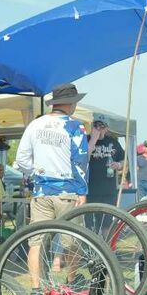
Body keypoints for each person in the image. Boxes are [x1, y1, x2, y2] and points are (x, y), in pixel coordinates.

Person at [12, 82, 90, 221]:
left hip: (41, 191)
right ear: (70, 103)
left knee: (37, 238)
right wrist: (82, 192)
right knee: (70, 240)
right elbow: (80, 162)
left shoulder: (35, 124)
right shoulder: (75, 126)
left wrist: (37, 173)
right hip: (67, 192)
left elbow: (21, 159)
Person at [86, 120, 125, 206]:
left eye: (101, 126)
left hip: (108, 189)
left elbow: (124, 160)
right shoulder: (86, 140)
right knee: (89, 218)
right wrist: (93, 139)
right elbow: (83, 159)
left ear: (107, 129)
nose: (98, 128)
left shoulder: (113, 142)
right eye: (96, 126)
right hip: (90, 189)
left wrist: (118, 165)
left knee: (107, 217)